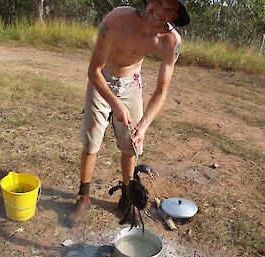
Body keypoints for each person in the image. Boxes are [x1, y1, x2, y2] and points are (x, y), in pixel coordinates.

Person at [67, 0, 190, 226]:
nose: (162, 12)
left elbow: (162, 91)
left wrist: (142, 125)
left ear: (175, 16)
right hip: (102, 79)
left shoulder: (171, 41)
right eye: (160, 2)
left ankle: (127, 196)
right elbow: (93, 71)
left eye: (170, 9)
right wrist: (115, 104)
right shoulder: (116, 21)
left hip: (131, 81)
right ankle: (83, 196)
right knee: (91, 140)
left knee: (130, 142)